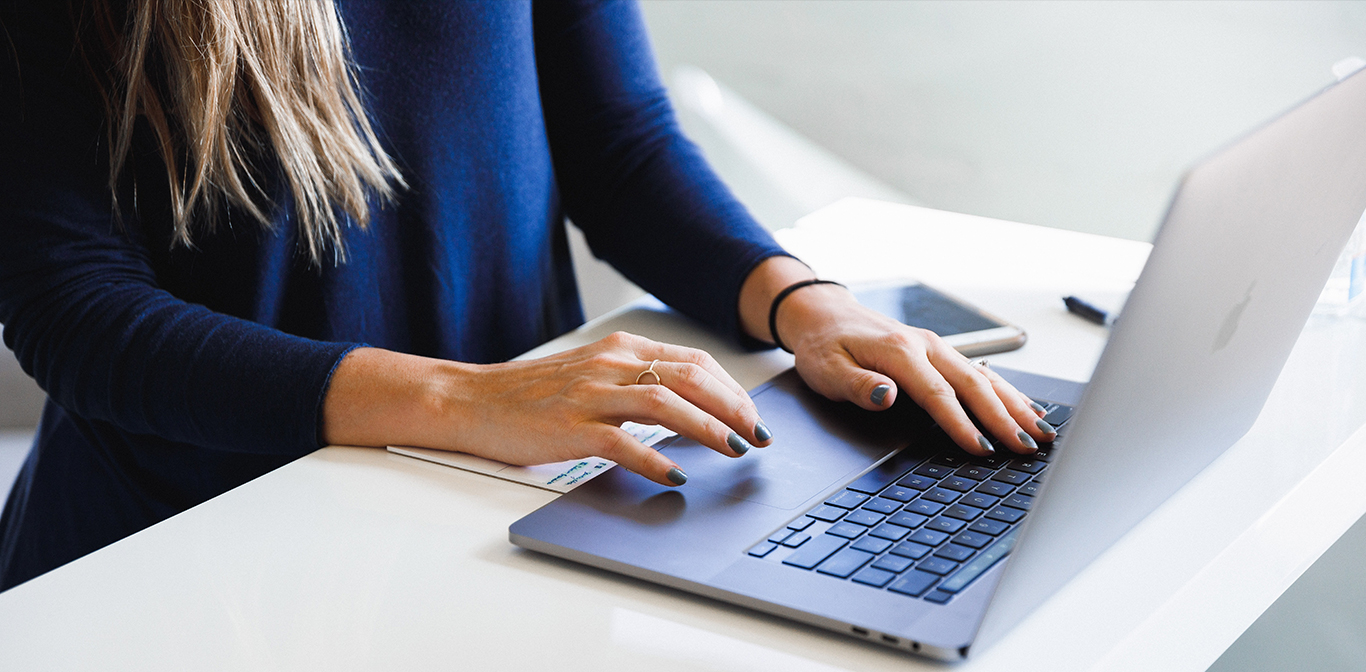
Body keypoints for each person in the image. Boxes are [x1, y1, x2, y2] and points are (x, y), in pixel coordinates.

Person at [0, 0, 1053, 591]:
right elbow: (70, 307)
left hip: (503, 510)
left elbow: (616, 140)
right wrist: (464, 401)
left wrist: (802, 303)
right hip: (196, 556)